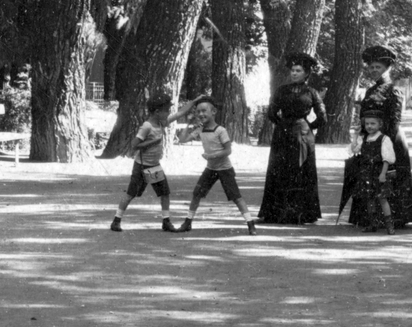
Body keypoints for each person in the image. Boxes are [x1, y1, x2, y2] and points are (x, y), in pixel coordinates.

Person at [257, 53, 327, 224]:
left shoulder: (312, 92)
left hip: (300, 135)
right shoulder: (282, 90)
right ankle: (278, 213)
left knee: (300, 171)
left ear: (306, 73)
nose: (294, 73)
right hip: (286, 134)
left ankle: (300, 213)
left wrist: (306, 127)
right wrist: (289, 125)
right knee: (279, 170)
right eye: (293, 70)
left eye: (298, 70)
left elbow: (322, 117)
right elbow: (271, 112)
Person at [352, 44, 412, 227]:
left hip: (390, 139)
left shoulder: (393, 90)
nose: (373, 70)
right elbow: (364, 117)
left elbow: (395, 121)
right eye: (371, 67)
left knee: (388, 175)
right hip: (371, 139)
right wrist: (362, 138)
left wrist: (381, 141)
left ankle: (394, 217)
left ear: (387, 68)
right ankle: (370, 217)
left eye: (378, 67)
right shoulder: (370, 91)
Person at [110, 93, 194, 232]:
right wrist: (151, 143)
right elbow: (134, 145)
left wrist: (195, 101)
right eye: (166, 110)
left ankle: (166, 221)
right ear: (157, 112)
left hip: (154, 166)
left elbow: (179, 113)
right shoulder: (147, 126)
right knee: (131, 194)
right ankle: (116, 220)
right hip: (142, 166)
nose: (168, 113)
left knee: (164, 193)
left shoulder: (161, 123)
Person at [179, 95, 256, 234]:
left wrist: (211, 156)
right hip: (210, 169)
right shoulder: (200, 129)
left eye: (204, 111)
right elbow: (182, 140)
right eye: (198, 111)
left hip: (224, 169)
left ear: (213, 112)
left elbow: (228, 150)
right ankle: (188, 222)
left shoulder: (220, 130)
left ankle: (250, 223)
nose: (201, 114)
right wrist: (188, 123)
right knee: (197, 194)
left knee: (236, 197)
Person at [344, 107, 396, 233]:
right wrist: (356, 135)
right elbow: (354, 150)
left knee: (382, 198)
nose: (369, 126)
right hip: (366, 173)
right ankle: (373, 224)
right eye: (367, 124)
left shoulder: (384, 139)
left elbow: (387, 159)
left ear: (380, 124)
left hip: (378, 172)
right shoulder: (364, 139)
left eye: (373, 124)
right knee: (369, 198)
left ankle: (390, 225)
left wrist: (383, 174)